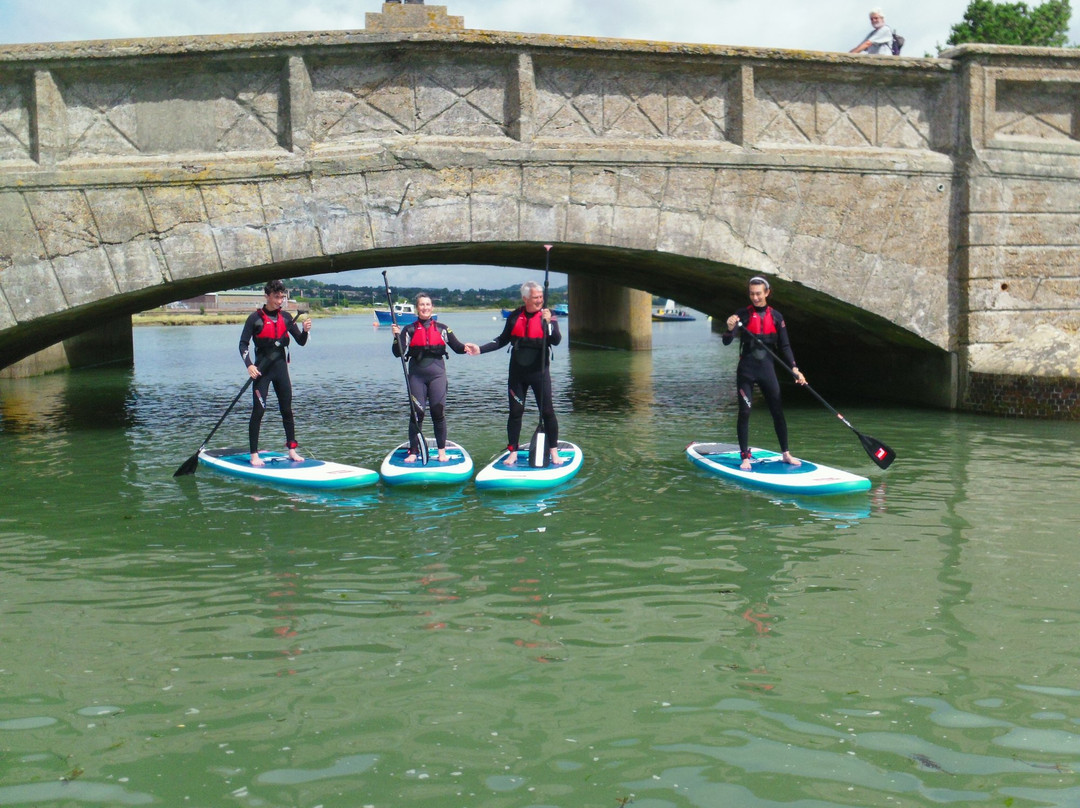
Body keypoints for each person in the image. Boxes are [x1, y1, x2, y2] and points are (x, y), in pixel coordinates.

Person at [722, 276, 807, 471]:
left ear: (767, 293)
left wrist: (794, 368)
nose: (755, 297)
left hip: (767, 370)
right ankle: (744, 457)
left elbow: (785, 346)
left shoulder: (777, 317)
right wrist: (729, 328)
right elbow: (727, 341)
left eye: (759, 293)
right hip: (746, 371)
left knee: (777, 411)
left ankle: (785, 453)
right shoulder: (741, 315)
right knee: (745, 411)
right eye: (752, 293)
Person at [478, 280, 563, 465]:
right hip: (517, 373)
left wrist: (548, 322)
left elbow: (556, 340)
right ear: (525, 298)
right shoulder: (515, 316)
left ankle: (554, 451)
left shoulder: (549, 315)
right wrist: (479, 349)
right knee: (515, 412)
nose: (540, 300)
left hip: (539, 372)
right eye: (535, 298)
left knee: (547, 411)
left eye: (541, 297)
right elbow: (501, 340)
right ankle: (513, 451)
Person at [391, 293, 479, 463]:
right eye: (422, 305)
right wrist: (396, 338)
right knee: (417, 414)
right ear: (417, 308)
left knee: (438, 413)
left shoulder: (442, 328)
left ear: (432, 307)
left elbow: (457, 346)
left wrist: (467, 347)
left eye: (428, 304)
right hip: (417, 376)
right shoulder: (408, 329)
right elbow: (397, 353)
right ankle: (414, 451)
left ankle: (441, 451)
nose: (425, 307)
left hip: (437, 376)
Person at [238, 280, 312, 467]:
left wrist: (305, 331)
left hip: (281, 371)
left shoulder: (287, 318)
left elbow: (301, 342)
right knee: (259, 411)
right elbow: (243, 344)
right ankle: (254, 454)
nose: (280, 301)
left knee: (286, 409)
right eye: (277, 297)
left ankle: (292, 450)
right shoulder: (254, 318)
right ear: (267, 297)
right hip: (262, 372)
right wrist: (249, 365)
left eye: (282, 297)